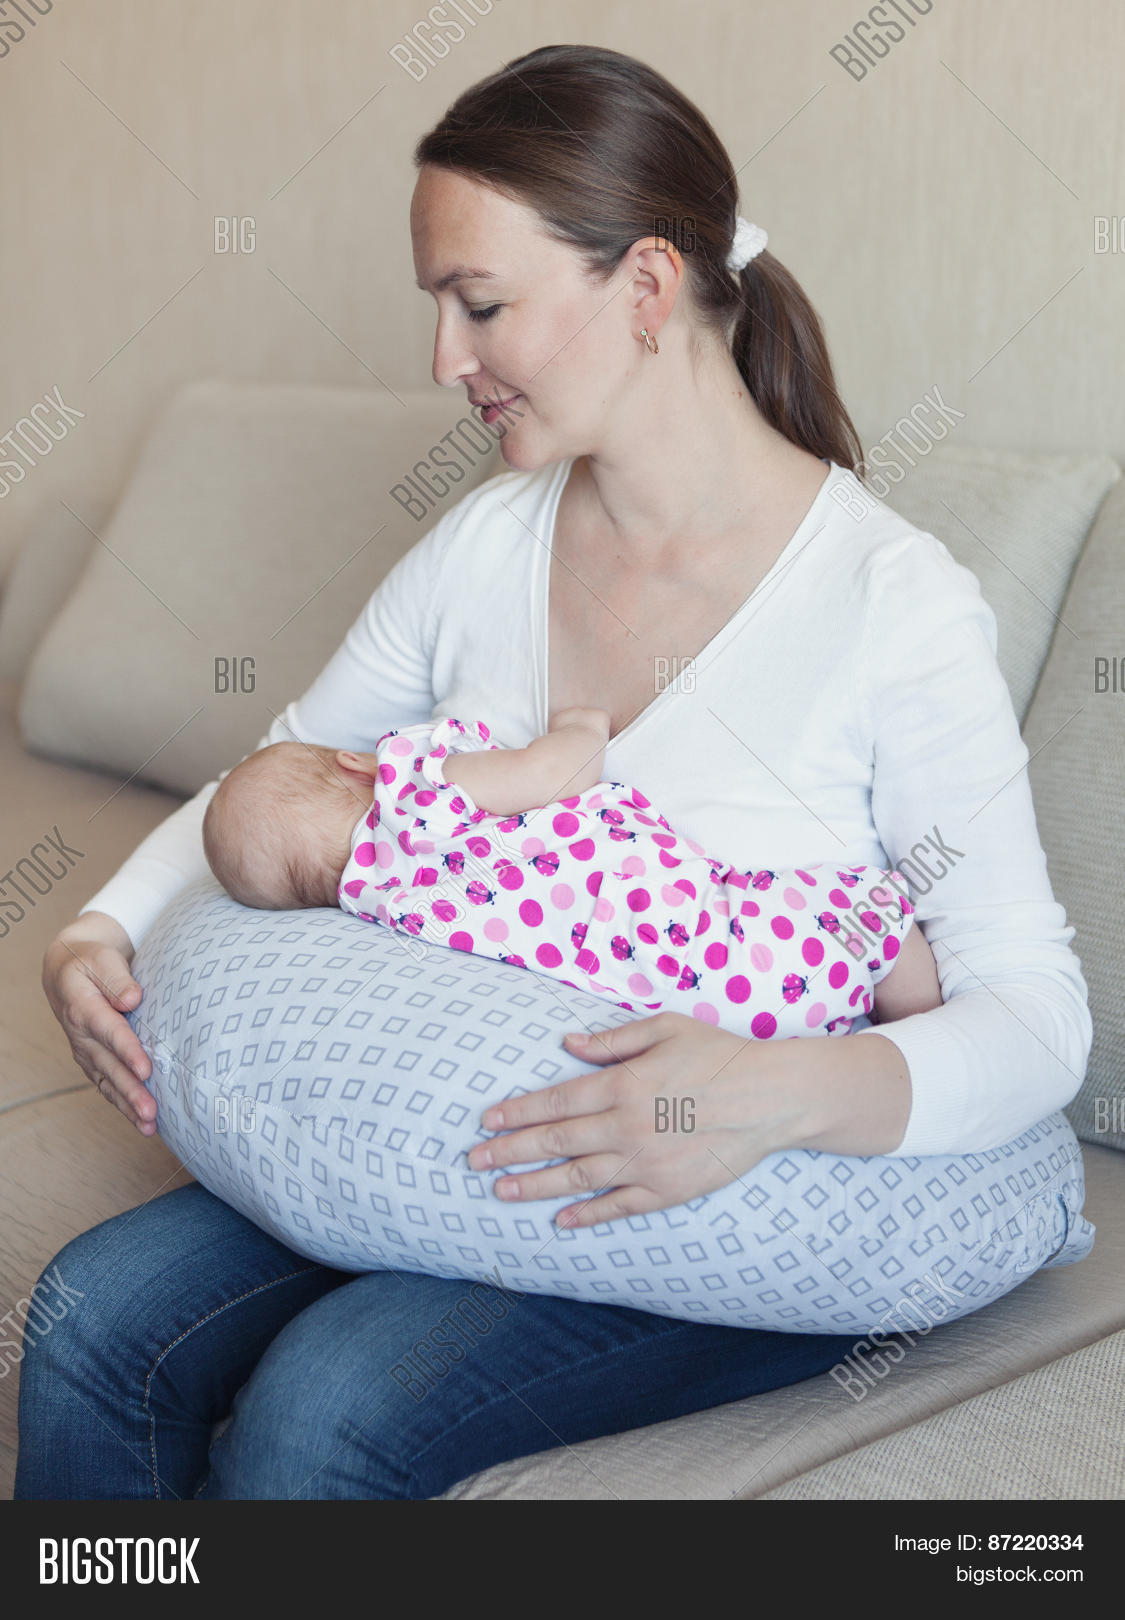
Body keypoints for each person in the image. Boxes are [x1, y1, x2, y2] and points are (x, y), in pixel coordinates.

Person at [18, 44, 1090, 1499]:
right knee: (90, 1321)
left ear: (646, 285)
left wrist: (771, 1094)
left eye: (479, 305)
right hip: (439, 1126)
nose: (442, 362)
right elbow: (286, 773)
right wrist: (101, 927)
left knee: (325, 1414)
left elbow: (1035, 1012)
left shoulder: (889, 607)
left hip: (716, 1181)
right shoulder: (486, 546)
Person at [199, 709, 940, 1033]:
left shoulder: (383, 905)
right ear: (352, 765)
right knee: (874, 915)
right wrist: (580, 726)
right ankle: (918, 1030)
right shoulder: (412, 796)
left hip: (687, 1008)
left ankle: (854, 1036)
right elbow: (557, 773)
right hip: (699, 929)